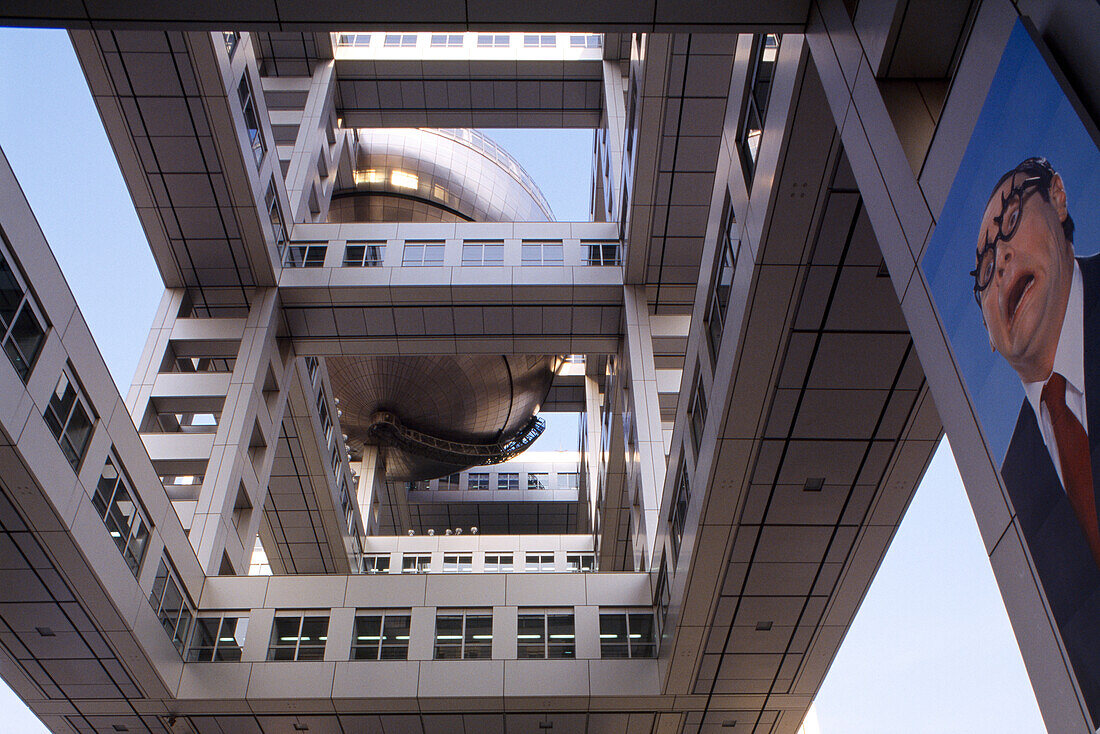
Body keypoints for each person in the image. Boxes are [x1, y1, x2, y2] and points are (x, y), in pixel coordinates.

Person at [973, 156, 1100, 720]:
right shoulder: (1011, 488)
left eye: (1011, 218)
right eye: (982, 269)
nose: (999, 261)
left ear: (1059, 197)